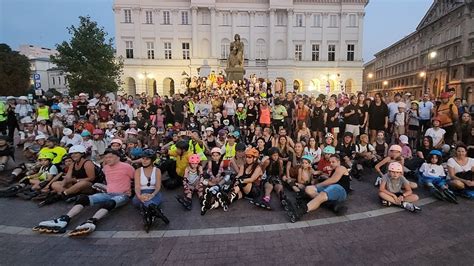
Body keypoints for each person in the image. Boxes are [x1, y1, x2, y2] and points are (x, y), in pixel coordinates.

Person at [33, 149, 135, 236]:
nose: (108, 159)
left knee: (110, 203)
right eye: (106, 157)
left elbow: (135, 179)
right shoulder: (106, 168)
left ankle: (92, 220)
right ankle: (64, 219)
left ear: (118, 157)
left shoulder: (127, 167)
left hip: (122, 195)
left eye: (110, 157)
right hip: (107, 193)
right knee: (83, 199)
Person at [286, 155, 350, 222]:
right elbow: (329, 179)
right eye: (330, 162)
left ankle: (301, 211)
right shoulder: (333, 170)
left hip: (340, 189)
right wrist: (322, 174)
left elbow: (333, 180)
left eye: (333, 162)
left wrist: (318, 185)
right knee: (309, 189)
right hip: (331, 188)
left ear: (338, 162)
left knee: (322, 194)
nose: (331, 164)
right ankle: (332, 205)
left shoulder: (341, 168)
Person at [133, 149, 169, 232]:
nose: (144, 161)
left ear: (152, 160)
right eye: (143, 158)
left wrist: (152, 195)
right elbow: (137, 186)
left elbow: (157, 187)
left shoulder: (157, 170)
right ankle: (156, 211)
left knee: (145, 205)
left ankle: (148, 218)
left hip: (154, 193)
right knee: (137, 200)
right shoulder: (138, 171)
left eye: (147, 159)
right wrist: (139, 196)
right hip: (141, 193)